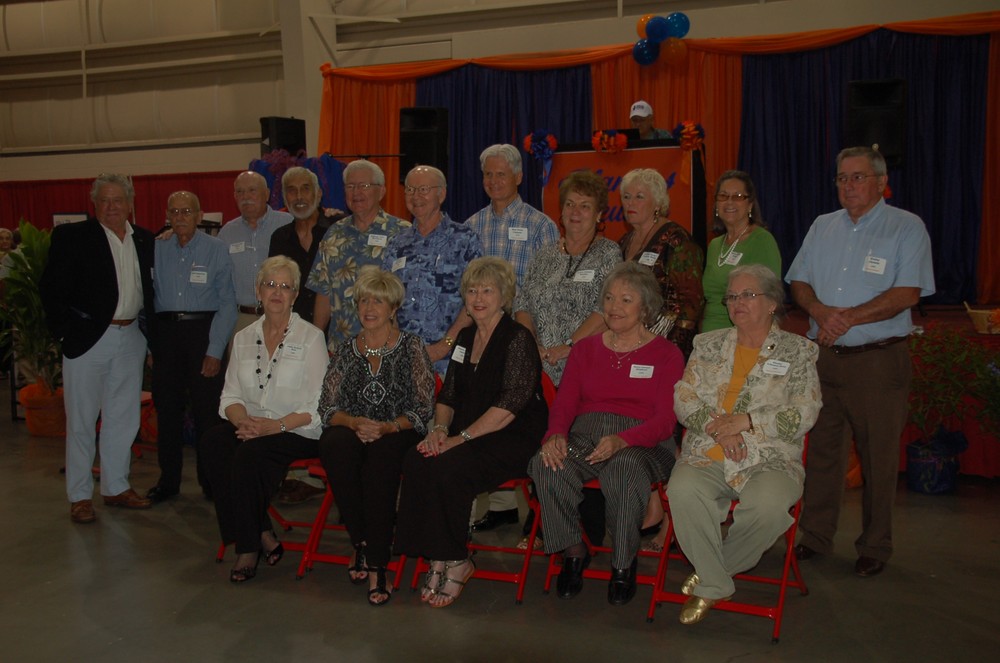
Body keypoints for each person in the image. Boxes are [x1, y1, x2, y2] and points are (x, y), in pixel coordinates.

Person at [786, 146, 934, 578]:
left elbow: (907, 293)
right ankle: (815, 535)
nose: (848, 185)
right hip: (824, 358)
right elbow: (799, 281)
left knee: (878, 458)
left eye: (858, 177)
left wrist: (846, 318)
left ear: (881, 182)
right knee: (822, 454)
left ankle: (875, 545)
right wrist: (819, 312)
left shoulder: (906, 227)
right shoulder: (822, 225)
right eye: (842, 178)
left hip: (878, 361)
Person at [669, 264, 821, 625]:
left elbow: (805, 411)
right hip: (709, 450)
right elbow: (684, 396)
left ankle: (711, 575)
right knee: (682, 489)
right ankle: (716, 582)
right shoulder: (707, 344)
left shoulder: (798, 351)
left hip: (770, 458)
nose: (738, 302)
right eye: (732, 296)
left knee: (768, 506)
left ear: (772, 303)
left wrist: (749, 422)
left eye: (748, 295)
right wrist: (720, 429)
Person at [394, 257, 548, 608]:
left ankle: (456, 559)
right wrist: (439, 430)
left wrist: (457, 440)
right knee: (417, 459)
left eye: (487, 291)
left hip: (511, 436)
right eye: (473, 291)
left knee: (450, 467)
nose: (478, 298)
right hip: (466, 432)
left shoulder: (517, 338)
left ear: (504, 296)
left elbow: (509, 407)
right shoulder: (464, 338)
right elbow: (448, 394)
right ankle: (436, 554)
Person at [529, 262, 684, 606]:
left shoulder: (666, 354)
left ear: (645, 308)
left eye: (626, 300)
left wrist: (623, 440)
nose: (614, 307)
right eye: (610, 298)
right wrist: (555, 434)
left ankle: (623, 563)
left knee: (623, 468)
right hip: (586, 437)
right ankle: (573, 551)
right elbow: (565, 403)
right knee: (546, 463)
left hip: (643, 442)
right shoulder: (586, 349)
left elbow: (665, 421)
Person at [201, 256, 329, 583]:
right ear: (258, 291)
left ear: (295, 295)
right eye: (270, 285)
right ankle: (260, 530)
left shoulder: (311, 337)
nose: (277, 292)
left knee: (249, 454)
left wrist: (276, 426)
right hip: (253, 426)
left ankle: (247, 549)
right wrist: (243, 422)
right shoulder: (243, 337)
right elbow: (230, 396)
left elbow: (320, 404)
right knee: (215, 442)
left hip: (298, 429)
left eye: (285, 286)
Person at [39, 173, 156, 523]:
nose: (111, 207)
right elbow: (51, 288)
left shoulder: (145, 240)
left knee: (123, 416)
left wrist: (152, 340)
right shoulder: (73, 237)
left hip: (131, 336)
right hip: (88, 339)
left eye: (117, 200)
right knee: (82, 419)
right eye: (104, 200)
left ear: (130, 203)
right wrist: (65, 333)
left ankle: (116, 486)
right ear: (94, 204)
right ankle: (79, 495)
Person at [316, 266, 435, 606]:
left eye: (378, 302)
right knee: (334, 445)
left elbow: (424, 407)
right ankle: (363, 543)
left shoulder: (412, 347)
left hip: (398, 430)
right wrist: (354, 423)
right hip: (354, 428)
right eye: (364, 301)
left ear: (393, 308)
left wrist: (387, 427)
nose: (369, 308)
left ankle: (377, 565)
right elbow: (327, 407)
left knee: (381, 460)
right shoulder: (345, 349)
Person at [466, 143, 559, 533]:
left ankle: (542, 507)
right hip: (483, 337)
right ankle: (501, 504)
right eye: (488, 174)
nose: (493, 181)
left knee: (521, 415)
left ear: (519, 177)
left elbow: (545, 291)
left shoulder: (541, 226)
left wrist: (531, 338)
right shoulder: (471, 225)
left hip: (524, 337)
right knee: (483, 409)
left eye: (501, 174)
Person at [147, 191, 236, 503]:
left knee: (207, 414)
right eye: (174, 211)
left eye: (187, 211)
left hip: (203, 333)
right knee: (167, 412)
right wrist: (152, 347)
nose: (180, 217)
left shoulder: (216, 248)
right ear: (167, 216)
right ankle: (168, 481)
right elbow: (146, 298)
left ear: (199, 216)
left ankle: (210, 481)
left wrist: (215, 350)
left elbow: (228, 303)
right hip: (167, 334)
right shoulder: (156, 248)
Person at [514, 169, 622, 387]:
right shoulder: (544, 255)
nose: (575, 212)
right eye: (570, 204)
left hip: (586, 364)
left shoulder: (609, 253)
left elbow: (606, 310)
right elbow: (522, 303)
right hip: (539, 367)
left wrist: (569, 346)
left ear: (599, 214)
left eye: (585, 206)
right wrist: (531, 345)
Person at [381, 165, 483, 375]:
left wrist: (444, 345)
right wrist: (396, 342)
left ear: (441, 194)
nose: (416, 196)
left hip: (452, 359)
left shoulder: (465, 239)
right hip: (403, 359)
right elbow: (385, 298)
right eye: (410, 190)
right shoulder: (396, 243)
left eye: (423, 190)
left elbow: (477, 299)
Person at [309, 160, 411, 350]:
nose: (356, 192)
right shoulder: (333, 233)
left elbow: (411, 294)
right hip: (341, 348)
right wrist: (314, 343)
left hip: (388, 349)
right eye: (350, 186)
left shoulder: (403, 233)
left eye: (364, 186)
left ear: (381, 191)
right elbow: (323, 292)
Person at [618, 167, 704, 359]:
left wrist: (671, 348)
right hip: (628, 337)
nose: (630, 203)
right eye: (626, 197)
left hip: (666, 340)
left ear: (658, 202)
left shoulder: (676, 240)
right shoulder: (624, 241)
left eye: (639, 197)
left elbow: (692, 303)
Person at [701, 170, 782, 333]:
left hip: (745, 335)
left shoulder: (762, 240)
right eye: (723, 196)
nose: (729, 202)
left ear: (750, 204)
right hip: (709, 334)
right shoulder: (714, 245)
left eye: (738, 196)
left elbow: (771, 298)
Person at [218, 171, 292, 334]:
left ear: (267, 194)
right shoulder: (227, 233)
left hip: (283, 317)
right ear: (234, 196)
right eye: (240, 192)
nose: (246, 197)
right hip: (241, 320)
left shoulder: (288, 223)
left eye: (252, 190)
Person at [267, 166, 334, 326]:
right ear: (285, 198)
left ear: (318, 194)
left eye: (305, 189)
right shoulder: (279, 238)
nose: (299, 197)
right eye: (292, 191)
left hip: (335, 331)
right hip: (293, 330)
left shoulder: (336, 230)